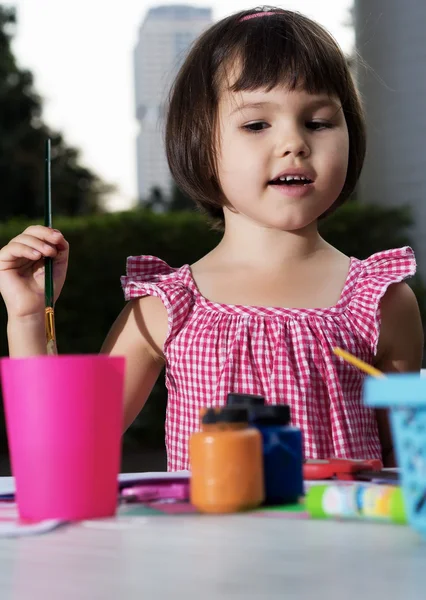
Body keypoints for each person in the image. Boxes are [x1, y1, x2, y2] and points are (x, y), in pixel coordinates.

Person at [0, 7, 423, 471]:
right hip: (204, 546)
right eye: (256, 124)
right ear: (199, 144)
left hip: (352, 543)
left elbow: (406, 464)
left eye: (318, 122)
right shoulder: (166, 307)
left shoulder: (381, 300)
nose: (294, 143)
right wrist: (27, 316)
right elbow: (65, 447)